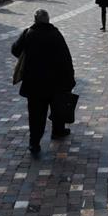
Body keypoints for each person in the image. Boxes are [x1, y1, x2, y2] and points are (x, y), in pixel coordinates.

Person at [11, 9, 76, 154]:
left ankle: (34, 143)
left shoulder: (28, 33)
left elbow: (15, 50)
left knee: (36, 115)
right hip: (56, 82)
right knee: (58, 107)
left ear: (35, 20)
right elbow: (66, 58)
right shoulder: (56, 34)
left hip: (34, 83)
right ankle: (58, 131)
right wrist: (70, 80)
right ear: (48, 20)